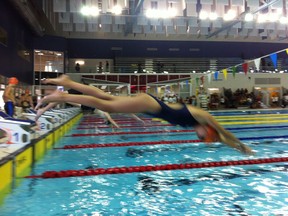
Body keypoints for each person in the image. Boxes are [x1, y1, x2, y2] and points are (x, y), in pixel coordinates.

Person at [36, 75, 254, 155]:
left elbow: (222, 138)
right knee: (108, 106)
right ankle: (64, 97)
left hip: (149, 105)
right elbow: (224, 134)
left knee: (107, 99)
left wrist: (236, 148)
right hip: (150, 103)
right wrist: (243, 146)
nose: (199, 136)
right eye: (203, 136)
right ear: (207, 129)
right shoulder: (203, 116)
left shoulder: (197, 124)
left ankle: (67, 84)